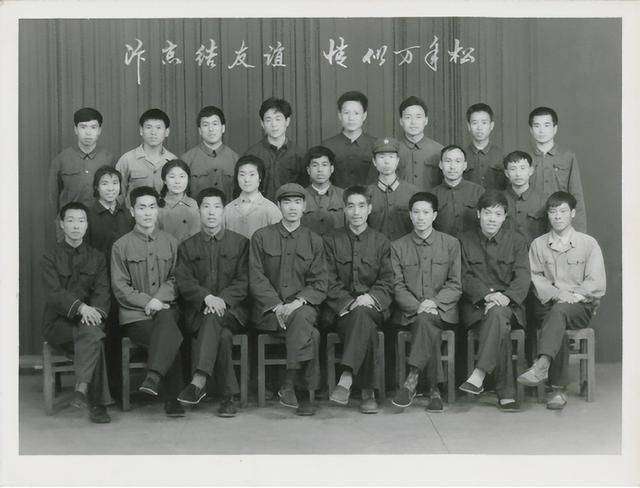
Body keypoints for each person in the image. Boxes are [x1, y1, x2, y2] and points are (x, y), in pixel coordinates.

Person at [518, 191, 606, 410]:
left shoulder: (588, 243)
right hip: (547, 304)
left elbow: (596, 281)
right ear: (548, 215)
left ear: (573, 213)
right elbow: (535, 278)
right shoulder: (538, 244)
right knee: (556, 316)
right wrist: (558, 295)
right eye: (553, 212)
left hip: (580, 306)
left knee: (559, 313)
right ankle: (557, 389)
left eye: (563, 211)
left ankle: (543, 366)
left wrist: (573, 296)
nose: (557, 216)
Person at [249, 183, 328, 416]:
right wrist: (276, 305)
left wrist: (297, 302)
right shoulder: (261, 237)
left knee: (302, 317)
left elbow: (320, 282)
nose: (292, 207)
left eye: (297, 202)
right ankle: (302, 392)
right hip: (270, 313)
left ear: (304, 206)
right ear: (278, 206)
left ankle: (290, 383)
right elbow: (256, 278)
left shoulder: (314, 240)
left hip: (303, 307)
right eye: (286, 202)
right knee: (312, 334)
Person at [110, 186, 185, 417]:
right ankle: (173, 398)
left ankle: (153, 377)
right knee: (170, 336)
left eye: (152, 207)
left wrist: (158, 300)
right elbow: (120, 287)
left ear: (157, 210)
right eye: (142, 207)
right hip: (135, 315)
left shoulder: (171, 242)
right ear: (132, 211)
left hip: (166, 308)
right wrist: (148, 302)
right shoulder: (121, 246)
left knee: (167, 323)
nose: (147, 212)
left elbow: (176, 278)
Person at [175, 188, 249, 417]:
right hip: (198, 314)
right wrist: (206, 298)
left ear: (224, 211)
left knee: (216, 318)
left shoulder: (240, 243)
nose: (211, 212)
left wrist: (222, 300)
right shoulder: (187, 246)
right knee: (223, 336)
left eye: (217, 207)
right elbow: (184, 281)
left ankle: (198, 380)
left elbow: (244, 281)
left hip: (233, 313)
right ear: (199, 210)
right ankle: (229, 398)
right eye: (206, 206)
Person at [458, 191, 531, 411]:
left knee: (498, 315)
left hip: (509, 305)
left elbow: (523, 277)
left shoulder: (517, 241)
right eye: (488, 213)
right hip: (477, 307)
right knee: (499, 325)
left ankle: (479, 374)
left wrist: (505, 298)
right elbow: (463, 276)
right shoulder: (464, 240)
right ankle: (506, 394)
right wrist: (487, 296)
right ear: (478, 214)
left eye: (498, 214)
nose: (492, 219)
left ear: (505, 216)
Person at [323, 186, 394, 414]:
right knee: (365, 325)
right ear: (344, 209)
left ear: (369, 209)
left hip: (373, 305)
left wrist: (370, 298)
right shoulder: (331, 240)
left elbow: (387, 280)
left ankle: (346, 376)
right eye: (351, 206)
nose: (356, 212)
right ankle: (367, 392)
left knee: (364, 315)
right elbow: (327, 279)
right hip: (341, 310)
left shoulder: (381, 241)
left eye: (361, 206)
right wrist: (350, 302)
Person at [41, 202, 112, 423]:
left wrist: (93, 313)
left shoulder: (97, 257)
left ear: (87, 224)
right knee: (93, 338)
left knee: (92, 334)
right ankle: (96, 402)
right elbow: (54, 293)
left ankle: (82, 390)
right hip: (57, 324)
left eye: (81, 221)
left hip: (89, 320)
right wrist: (81, 308)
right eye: (70, 220)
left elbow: (102, 292)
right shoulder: (50, 257)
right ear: (62, 224)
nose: (76, 226)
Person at [391, 192, 461, 412]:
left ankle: (412, 380)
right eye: (416, 212)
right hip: (411, 313)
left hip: (442, 311)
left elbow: (455, 283)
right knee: (424, 321)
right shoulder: (398, 246)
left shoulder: (451, 243)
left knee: (427, 321)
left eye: (426, 212)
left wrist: (435, 303)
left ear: (435, 215)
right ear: (410, 215)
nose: (421, 217)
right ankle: (434, 390)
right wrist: (418, 306)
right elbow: (397, 285)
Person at [86, 165, 134, 394]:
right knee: (104, 333)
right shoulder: (89, 215)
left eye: (115, 183)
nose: (110, 188)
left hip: (125, 281)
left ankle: (120, 386)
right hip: (99, 283)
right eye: (104, 183)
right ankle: (103, 391)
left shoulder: (127, 214)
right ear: (96, 187)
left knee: (120, 332)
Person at [48, 107, 115, 239]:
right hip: (71, 226)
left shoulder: (109, 159)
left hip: (101, 225)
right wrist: (60, 224)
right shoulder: (61, 160)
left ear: (99, 130)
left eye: (93, 127)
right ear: (75, 129)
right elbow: (53, 197)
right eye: (83, 127)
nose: (88, 132)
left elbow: (117, 194)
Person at [528, 106, 587, 231]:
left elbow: (576, 195)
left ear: (555, 129)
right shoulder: (525, 159)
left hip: (560, 223)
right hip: (531, 223)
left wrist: (579, 233)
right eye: (537, 126)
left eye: (546, 125)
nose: (541, 130)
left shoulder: (567, 156)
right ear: (531, 130)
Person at [244, 97, 305, 200]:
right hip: (259, 208)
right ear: (262, 123)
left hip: (289, 208)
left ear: (287, 121)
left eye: (278, 119)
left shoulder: (300, 154)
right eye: (268, 120)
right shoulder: (252, 154)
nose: (273, 124)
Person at [116, 108, 177, 206]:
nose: (153, 132)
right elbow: (118, 196)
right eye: (148, 127)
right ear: (141, 130)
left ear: (167, 132)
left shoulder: (173, 161)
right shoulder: (127, 160)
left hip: (165, 214)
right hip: (134, 215)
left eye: (158, 127)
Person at [181, 105, 239, 203]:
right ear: (200, 130)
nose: (211, 129)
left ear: (223, 128)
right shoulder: (186, 159)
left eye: (215, 124)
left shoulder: (235, 159)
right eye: (205, 125)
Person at [367, 137, 421, 241]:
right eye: (381, 157)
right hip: (375, 249)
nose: (386, 162)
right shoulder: (366, 193)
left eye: (391, 157)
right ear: (374, 161)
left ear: (397, 161)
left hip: (406, 249)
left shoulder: (413, 192)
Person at [321, 91, 377, 188]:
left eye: (356, 113)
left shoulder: (375, 145)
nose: (351, 118)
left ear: (364, 116)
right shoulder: (327, 146)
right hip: (336, 197)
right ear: (339, 115)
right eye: (346, 113)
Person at [432, 145, 485, 239]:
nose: (452, 167)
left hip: (473, 244)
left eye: (457, 161)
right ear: (440, 165)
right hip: (443, 245)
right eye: (448, 161)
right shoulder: (432, 195)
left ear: (465, 165)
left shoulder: (478, 192)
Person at [223, 155, 282, 239]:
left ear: (260, 178)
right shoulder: (228, 209)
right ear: (237, 177)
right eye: (242, 175)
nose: (246, 180)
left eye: (252, 174)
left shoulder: (271, 209)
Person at [396, 96, 443, 190]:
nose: (413, 122)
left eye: (418, 117)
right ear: (401, 121)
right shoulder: (393, 150)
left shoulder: (439, 150)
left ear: (426, 120)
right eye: (408, 117)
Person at [501, 150, 547, 244]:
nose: (518, 174)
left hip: (534, 251)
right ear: (506, 173)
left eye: (522, 168)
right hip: (506, 251)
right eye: (513, 169)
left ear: (531, 171)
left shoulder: (543, 200)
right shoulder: (499, 199)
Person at [301, 145, 345, 236]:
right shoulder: (300, 196)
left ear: (331, 169)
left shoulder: (344, 195)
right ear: (308, 170)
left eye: (324, 165)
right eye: (315, 165)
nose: (320, 170)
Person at [157, 159, 201, 243]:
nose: (177, 182)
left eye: (182, 176)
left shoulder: (194, 204)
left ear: (188, 179)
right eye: (172, 177)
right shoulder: (157, 206)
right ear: (164, 180)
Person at [464, 103, 505, 190]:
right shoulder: (461, 156)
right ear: (469, 126)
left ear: (491, 125)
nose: (479, 128)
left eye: (484, 123)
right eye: (475, 123)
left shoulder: (502, 155)